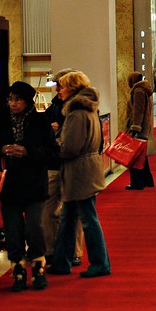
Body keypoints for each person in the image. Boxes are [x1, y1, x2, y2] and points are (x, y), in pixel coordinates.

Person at [0, 80, 52, 291]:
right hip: (8, 183)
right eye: (10, 99)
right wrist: (2, 149)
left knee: (35, 227)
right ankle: (18, 269)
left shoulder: (40, 122)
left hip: (33, 183)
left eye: (18, 100)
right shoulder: (0, 121)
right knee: (12, 229)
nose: (13, 104)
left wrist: (27, 152)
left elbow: (52, 153)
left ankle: (38, 267)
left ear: (28, 101)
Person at [48, 71, 111, 278]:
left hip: (79, 171)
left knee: (86, 218)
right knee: (69, 218)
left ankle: (100, 263)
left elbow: (70, 147)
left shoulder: (75, 113)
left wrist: (53, 145)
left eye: (63, 87)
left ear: (73, 89)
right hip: (86, 168)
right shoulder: (89, 109)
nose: (59, 91)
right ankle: (62, 261)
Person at [41, 69, 85, 268]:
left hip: (72, 165)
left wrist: (59, 134)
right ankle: (51, 249)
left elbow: (78, 142)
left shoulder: (80, 109)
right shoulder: (54, 106)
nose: (57, 89)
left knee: (74, 212)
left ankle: (74, 252)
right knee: (48, 210)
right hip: (53, 164)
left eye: (60, 84)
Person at [125, 71, 155, 190]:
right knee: (141, 156)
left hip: (139, 128)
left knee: (135, 157)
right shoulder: (143, 90)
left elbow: (138, 111)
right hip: (143, 128)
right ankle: (148, 180)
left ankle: (137, 183)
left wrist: (135, 128)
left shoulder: (138, 91)